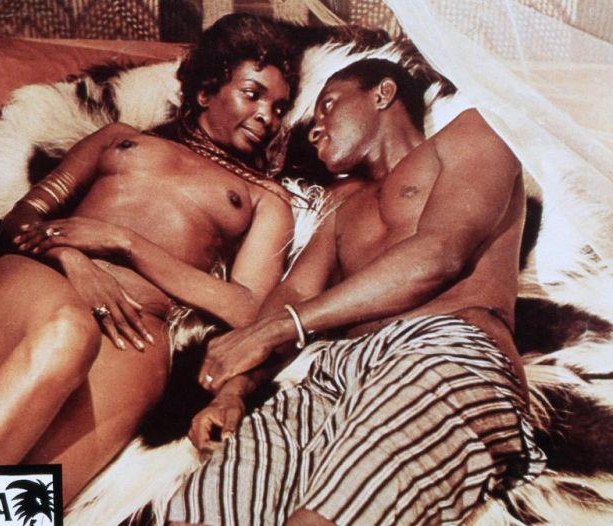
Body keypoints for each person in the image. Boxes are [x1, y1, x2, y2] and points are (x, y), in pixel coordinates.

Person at [168, 59, 545, 526]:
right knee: (200, 513)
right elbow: (294, 291)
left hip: (445, 350)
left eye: (328, 106)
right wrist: (234, 392)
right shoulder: (342, 204)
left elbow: (440, 254)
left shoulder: (475, 133)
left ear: (383, 93)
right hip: (331, 376)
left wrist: (280, 328)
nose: (314, 128)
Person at [0, 14, 297, 504]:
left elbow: (247, 309)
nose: (266, 116)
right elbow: (21, 219)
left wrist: (124, 242)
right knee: (69, 330)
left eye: (279, 108)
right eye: (253, 94)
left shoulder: (263, 198)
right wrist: (74, 261)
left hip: (135, 332)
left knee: (31, 497)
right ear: (206, 90)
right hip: (40, 281)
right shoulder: (120, 139)